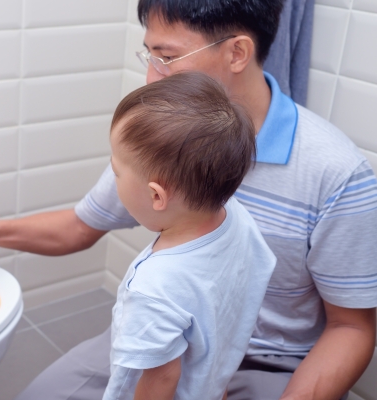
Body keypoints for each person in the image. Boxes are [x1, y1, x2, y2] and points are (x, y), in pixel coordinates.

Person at [0, 0, 377, 398]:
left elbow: (352, 327)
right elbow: (83, 226)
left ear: (237, 51)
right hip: (164, 338)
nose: (150, 76)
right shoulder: (163, 134)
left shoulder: (336, 174)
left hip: (266, 362)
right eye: (149, 54)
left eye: (167, 57)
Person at [103, 72, 275, 400]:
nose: (114, 180)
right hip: (214, 380)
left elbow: (162, 379)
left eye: (116, 171)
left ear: (157, 196)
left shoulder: (154, 290)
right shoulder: (235, 218)